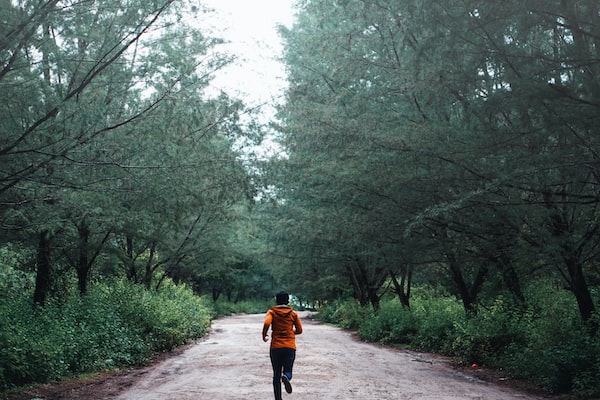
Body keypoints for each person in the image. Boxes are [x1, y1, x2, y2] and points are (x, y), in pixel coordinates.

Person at [262, 291, 303, 399]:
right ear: (288, 301)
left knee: (276, 374)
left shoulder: (272, 312)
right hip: (289, 347)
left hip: (275, 347)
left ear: (276, 301)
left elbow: (267, 323)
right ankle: (286, 377)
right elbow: (299, 330)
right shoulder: (293, 314)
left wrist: (264, 334)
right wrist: (289, 332)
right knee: (288, 370)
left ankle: (278, 398)